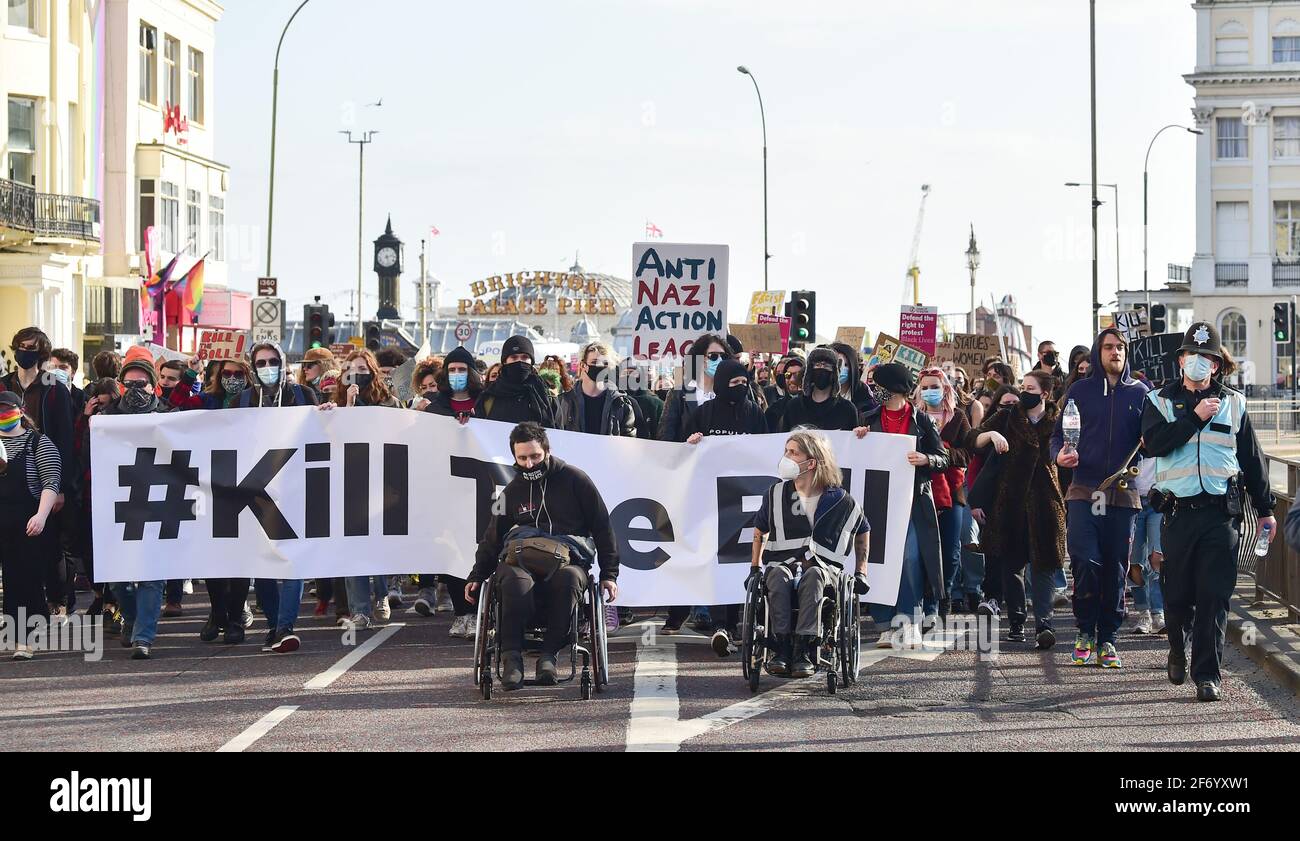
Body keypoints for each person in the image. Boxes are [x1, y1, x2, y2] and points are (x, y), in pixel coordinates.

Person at [1141, 322, 1275, 702]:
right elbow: (1154, 444)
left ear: (1216, 365)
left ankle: (1207, 675)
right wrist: (1195, 417)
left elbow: (1252, 458)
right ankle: (1176, 647)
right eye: (1191, 356)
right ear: (1181, 360)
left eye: (1207, 358)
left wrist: (1265, 510)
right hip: (1177, 513)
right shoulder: (1159, 401)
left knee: (1214, 595)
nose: (1198, 363)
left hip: (1220, 513)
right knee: (1178, 595)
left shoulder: (1234, 402)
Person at [465, 422, 619, 690]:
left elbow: (602, 527)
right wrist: (477, 575)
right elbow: (491, 536)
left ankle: (548, 656)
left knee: (569, 579)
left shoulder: (576, 480)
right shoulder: (510, 491)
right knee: (514, 581)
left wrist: (609, 574)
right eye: (522, 458)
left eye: (534, 456)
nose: (528, 463)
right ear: (514, 456)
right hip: (520, 560)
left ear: (547, 451)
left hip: (568, 560)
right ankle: (511, 658)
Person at [1051, 328, 1148, 666]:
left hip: (1123, 491)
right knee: (1084, 560)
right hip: (1084, 488)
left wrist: (1152, 440)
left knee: (1116, 568)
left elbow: (1153, 438)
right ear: (1098, 353)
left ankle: (1108, 639)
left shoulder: (1141, 392)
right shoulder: (1080, 390)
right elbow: (1056, 436)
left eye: (1120, 347)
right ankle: (1084, 631)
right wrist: (1059, 456)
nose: (1115, 352)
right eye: (1108, 347)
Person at [749, 430, 870, 677]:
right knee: (775, 575)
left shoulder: (840, 500)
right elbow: (759, 530)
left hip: (823, 570)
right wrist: (754, 567)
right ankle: (780, 647)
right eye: (786, 451)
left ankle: (804, 648)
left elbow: (863, 529)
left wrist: (861, 572)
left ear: (811, 462)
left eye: (793, 452)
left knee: (814, 574)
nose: (786, 457)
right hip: (783, 564)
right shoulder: (776, 493)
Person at [963, 371, 1066, 646]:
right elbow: (971, 438)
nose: (1024, 392)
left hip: (1046, 503)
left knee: (1043, 565)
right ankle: (1017, 622)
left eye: (1030, 388)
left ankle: (1045, 624)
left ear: (1045, 393)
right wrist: (992, 435)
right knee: (1012, 565)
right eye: (1023, 386)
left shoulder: (1058, 422)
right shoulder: (1008, 417)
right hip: (1009, 502)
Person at [683, 357, 768, 654]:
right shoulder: (704, 413)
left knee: (741, 561)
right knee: (716, 560)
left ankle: (739, 623)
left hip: (745, 500)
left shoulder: (755, 414)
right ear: (721, 385)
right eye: (734, 384)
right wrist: (692, 442)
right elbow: (681, 450)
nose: (740, 388)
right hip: (711, 499)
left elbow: (766, 450)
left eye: (745, 383)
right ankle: (722, 624)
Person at [857, 363, 947, 643]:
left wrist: (926, 459)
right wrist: (858, 438)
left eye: (878, 387)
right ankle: (885, 623)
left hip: (912, 502)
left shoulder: (922, 421)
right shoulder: (868, 419)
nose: (874, 391)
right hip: (876, 502)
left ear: (893, 390)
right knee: (877, 558)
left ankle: (909, 621)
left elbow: (942, 459)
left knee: (910, 558)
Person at [240, 340, 317, 653]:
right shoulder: (244, 399)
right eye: (261, 363)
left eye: (273, 361)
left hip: (297, 487)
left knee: (292, 560)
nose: (268, 368)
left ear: (284, 363)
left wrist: (326, 412)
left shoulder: (302, 395)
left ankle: (286, 625)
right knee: (264, 566)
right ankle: (273, 624)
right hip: (257, 490)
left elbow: (321, 430)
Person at [319, 349, 401, 629]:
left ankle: (381, 593)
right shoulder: (337, 405)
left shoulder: (389, 402)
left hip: (381, 483)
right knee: (352, 546)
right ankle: (359, 610)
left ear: (372, 372)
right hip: (348, 484)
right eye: (350, 367)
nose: (356, 372)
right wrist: (344, 410)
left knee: (374, 545)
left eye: (362, 367)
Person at [101, 356, 174, 659]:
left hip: (157, 503)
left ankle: (144, 636)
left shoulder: (171, 416)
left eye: (140, 384)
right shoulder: (106, 418)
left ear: (153, 388)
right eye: (128, 384)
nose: (134, 389)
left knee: (151, 575)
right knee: (118, 578)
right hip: (118, 505)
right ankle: (129, 619)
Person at [419, 345, 481, 634]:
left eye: (462, 369)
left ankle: (481, 610)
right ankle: (462, 613)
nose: (457, 375)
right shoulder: (435, 406)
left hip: (480, 490)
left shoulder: (485, 404)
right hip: (447, 488)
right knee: (453, 552)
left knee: (479, 552)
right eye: (452, 369)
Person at [0, 391, 61, 660]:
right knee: (11, 580)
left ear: (20, 411)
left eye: (6, 410)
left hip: (27, 520)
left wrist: (41, 516)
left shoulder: (38, 443)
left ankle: (25, 638)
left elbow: (50, 482)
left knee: (24, 579)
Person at [915, 368, 974, 615]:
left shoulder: (958, 418)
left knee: (950, 549)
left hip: (953, 490)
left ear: (945, 388)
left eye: (934, 386)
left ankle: (946, 591)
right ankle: (929, 602)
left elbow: (967, 453)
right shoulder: (915, 417)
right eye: (925, 387)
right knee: (925, 548)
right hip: (921, 490)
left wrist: (940, 454)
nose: (930, 392)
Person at [967, 385, 1022, 618]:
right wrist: (975, 503)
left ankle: (1016, 602)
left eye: (1014, 404)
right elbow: (975, 469)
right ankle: (992, 598)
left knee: (1016, 555)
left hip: (1019, 502)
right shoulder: (988, 435)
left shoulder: (1026, 431)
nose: (1009, 409)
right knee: (993, 552)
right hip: (992, 502)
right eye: (1004, 405)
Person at [657, 332, 732, 443]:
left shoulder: (731, 392)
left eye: (723, 356)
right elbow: (665, 435)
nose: (720, 360)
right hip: (687, 458)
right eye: (713, 356)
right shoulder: (679, 393)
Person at [556, 342, 638, 437]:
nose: (600, 366)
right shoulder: (565, 402)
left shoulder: (621, 404)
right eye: (594, 362)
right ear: (583, 366)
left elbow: (628, 442)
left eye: (605, 363)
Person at [475, 336, 557, 426]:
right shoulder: (488, 398)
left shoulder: (546, 396)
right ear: (505, 362)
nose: (519, 361)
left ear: (531, 361)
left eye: (524, 357)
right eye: (514, 357)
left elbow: (560, 433)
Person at [778, 347, 860, 432]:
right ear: (810, 371)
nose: (822, 368)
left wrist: (860, 433)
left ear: (834, 373)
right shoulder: (793, 407)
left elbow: (853, 442)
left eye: (827, 366)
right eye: (817, 365)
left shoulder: (847, 410)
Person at [1127, 457, 1165, 636]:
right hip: (1132, 501)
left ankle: (1159, 613)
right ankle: (1144, 613)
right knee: (1135, 563)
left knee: (1158, 557)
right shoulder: (1129, 436)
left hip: (1158, 501)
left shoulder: (1161, 434)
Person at [620, 359, 663, 442]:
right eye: (625, 373)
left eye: (633, 372)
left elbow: (662, 432)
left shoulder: (655, 403)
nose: (629, 376)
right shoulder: (615, 401)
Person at [830, 341, 877, 416]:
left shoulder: (863, 393)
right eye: (838, 364)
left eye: (846, 365)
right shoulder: (819, 391)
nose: (841, 369)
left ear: (853, 367)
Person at [763, 354, 804, 431]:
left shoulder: (815, 407)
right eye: (788, 375)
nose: (792, 379)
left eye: (797, 374)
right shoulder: (774, 410)